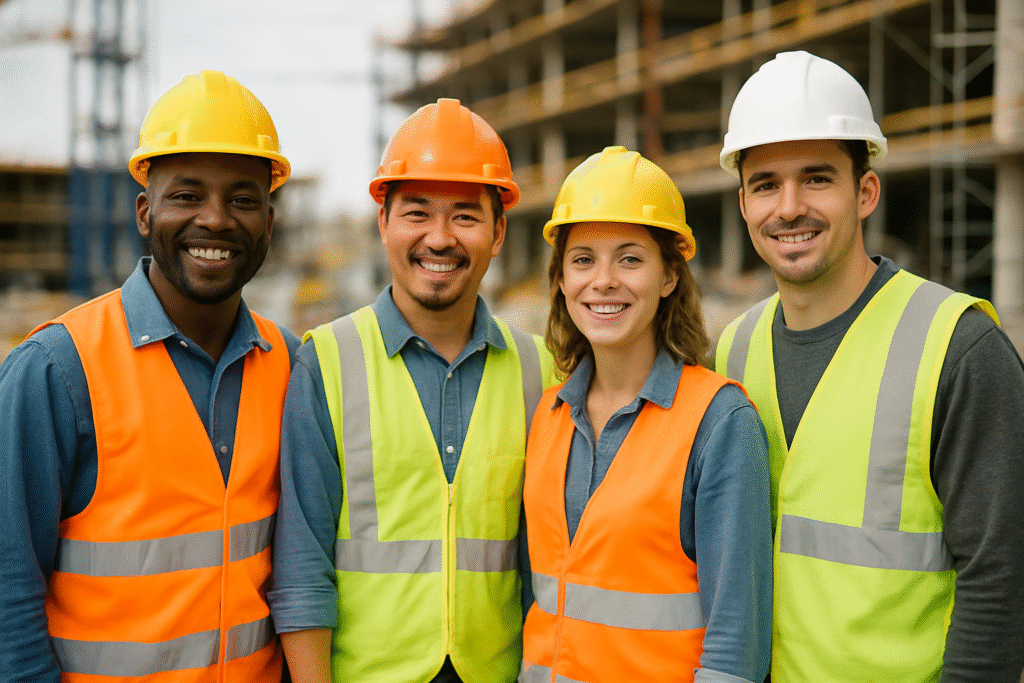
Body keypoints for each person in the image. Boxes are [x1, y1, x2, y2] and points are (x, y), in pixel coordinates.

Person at [715, 51, 1024, 682]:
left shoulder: (957, 346)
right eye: (766, 183)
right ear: (743, 201)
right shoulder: (735, 347)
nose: (790, 207)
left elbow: (1001, 579)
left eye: (817, 178)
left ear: (866, 191)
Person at [0, 70, 300, 682]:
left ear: (268, 221)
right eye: (187, 195)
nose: (215, 220)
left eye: (242, 199)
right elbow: (7, 596)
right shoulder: (58, 370)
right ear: (145, 212)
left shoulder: (291, 363)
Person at [268, 98, 559, 683]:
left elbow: (545, 565)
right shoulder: (325, 361)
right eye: (417, 213)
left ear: (499, 232)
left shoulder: (539, 370)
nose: (440, 238)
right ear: (383, 224)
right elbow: (302, 569)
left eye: (465, 217)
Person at [519, 146, 773, 683]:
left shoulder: (719, 422)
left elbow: (735, 647)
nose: (604, 280)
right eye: (583, 258)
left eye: (630, 258)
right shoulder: (548, 415)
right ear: (561, 281)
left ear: (669, 277)